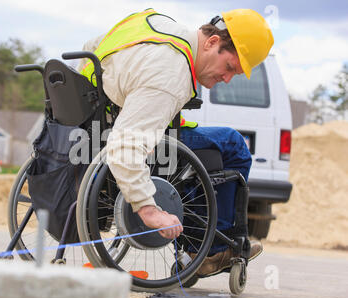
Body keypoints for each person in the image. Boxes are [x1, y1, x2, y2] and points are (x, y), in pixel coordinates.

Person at [77, 8, 274, 276]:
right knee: (233, 145)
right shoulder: (170, 74)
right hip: (127, 140)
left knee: (200, 144)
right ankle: (212, 251)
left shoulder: (155, 23)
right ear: (212, 42)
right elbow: (124, 146)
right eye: (229, 67)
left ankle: (198, 242)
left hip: (97, 127)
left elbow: (90, 48)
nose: (227, 79)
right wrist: (148, 208)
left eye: (234, 75)